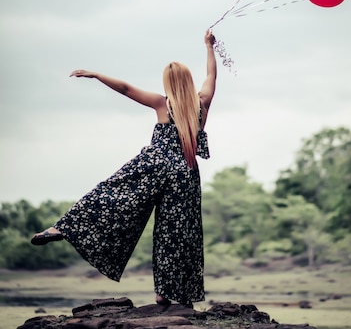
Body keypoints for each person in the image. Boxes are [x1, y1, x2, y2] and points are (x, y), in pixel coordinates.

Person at [31, 29, 217, 307]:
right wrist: (208, 47)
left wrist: (97, 75)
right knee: (180, 232)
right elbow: (212, 76)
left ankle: (64, 228)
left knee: (113, 196)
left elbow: (127, 89)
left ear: (168, 83)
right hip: (185, 174)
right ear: (188, 81)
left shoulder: (162, 104)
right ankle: (172, 293)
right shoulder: (202, 103)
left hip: (155, 164)